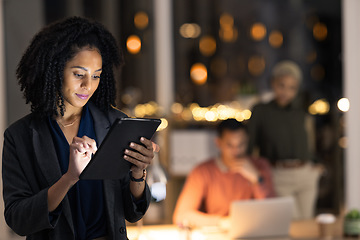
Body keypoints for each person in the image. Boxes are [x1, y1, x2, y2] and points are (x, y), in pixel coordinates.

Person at [2, 17, 159, 240]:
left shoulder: (115, 124)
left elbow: (133, 212)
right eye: (79, 74)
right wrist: (69, 178)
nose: (88, 85)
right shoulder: (20, 137)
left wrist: (137, 173)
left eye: (96, 76)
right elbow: (18, 219)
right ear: (54, 70)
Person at [248, 60, 321, 220]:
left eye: (292, 88)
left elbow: (310, 140)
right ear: (273, 83)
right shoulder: (261, 111)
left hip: (305, 173)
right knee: (291, 223)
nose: (285, 91)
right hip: (278, 175)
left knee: (307, 223)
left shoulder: (301, 111)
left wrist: (315, 164)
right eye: (281, 85)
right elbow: (250, 146)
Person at [172, 119, 275, 228]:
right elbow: (181, 215)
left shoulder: (260, 166)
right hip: (217, 234)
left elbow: (273, 212)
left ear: (247, 141)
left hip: (253, 232)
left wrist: (257, 179)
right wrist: (222, 222)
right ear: (218, 143)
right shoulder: (203, 171)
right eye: (230, 145)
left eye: (241, 144)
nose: (236, 151)